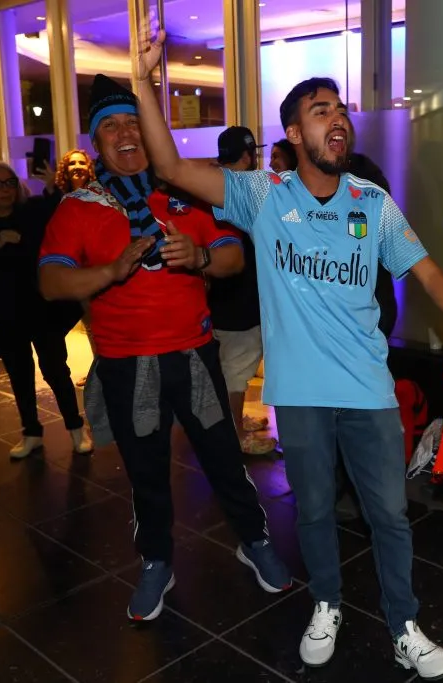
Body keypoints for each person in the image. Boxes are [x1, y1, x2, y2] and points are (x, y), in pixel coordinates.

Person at [135, 30, 443, 679]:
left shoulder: (371, 202)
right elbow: (172, 168)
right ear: (295, 132)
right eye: (321, 110)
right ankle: (327, 603)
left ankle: (404, 626)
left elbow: (426, 269)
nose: (338, 118)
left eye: (341, 109)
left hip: (369, 389)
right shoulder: (265, 195)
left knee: (389, 514)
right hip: (299, 393)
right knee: (316, 510)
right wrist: (144, 84)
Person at [38, 73, 292, 622]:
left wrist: (200, 258)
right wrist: (110, 271)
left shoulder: (185, 192)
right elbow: (51, 281)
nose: (126, 133)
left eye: (133, 122)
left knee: (224, 460)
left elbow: (233, 257)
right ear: (95, 140)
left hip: (194, 355)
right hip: (128, 366)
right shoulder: (78, 206)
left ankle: (254, 541)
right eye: (111, 126)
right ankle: (156, 561)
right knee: (146, 472)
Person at [0, 161, 90, 459]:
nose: (5, 190)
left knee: (55, 369)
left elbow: (61, 219)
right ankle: (31, 432)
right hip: (3, 310)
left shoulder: (31, 211)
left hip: (41, 305)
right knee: (19, 373)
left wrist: (54, 188)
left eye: (10, 182)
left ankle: (76, 428)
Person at [210, 125, 276, 455]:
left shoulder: (211, 186)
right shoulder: (247, 190)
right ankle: (236, 436)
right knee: (236, 374)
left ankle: (236, 423)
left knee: (231, 368)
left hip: (220, 297)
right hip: (241, 302)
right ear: (249, 156)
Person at [54, 149, 98, 388]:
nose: (78, 167)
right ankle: (98, 367)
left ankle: (101, 369)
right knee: (87, 321)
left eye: (82, 162)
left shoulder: (98, 194)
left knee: (97, 320)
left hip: (95, 266)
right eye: (72, 163)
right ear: (65, 170)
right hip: (71, 268)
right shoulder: (58, 198)